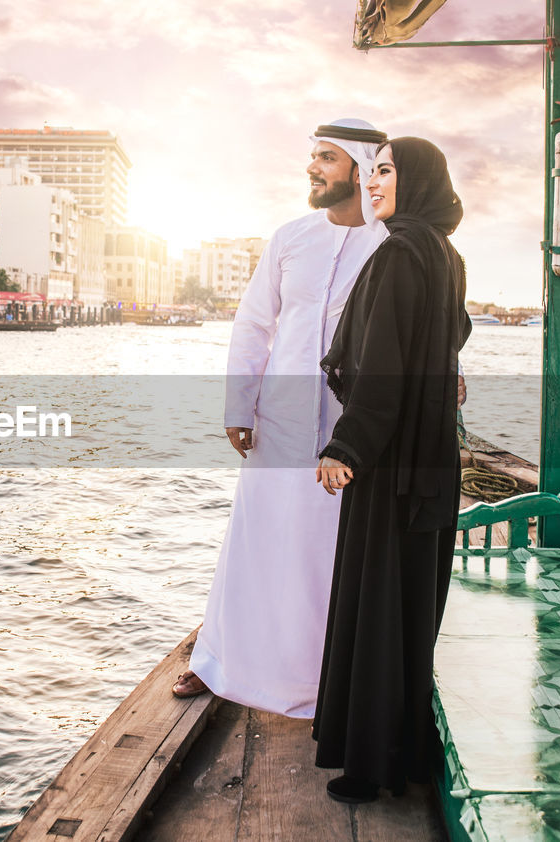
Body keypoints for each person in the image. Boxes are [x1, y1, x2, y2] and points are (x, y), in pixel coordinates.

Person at [171, 119, 391, 717]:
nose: (312, 168)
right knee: (257, 540)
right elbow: (253, 323)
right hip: (280, 418)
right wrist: (238, 404)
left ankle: (328, 681)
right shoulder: (290, 237)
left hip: (354, 425)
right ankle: (219, 663)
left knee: (328, 549)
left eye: (326, 158)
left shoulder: (392, 242)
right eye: (313, 157)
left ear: (360, 167)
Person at [312, 137, 470, 802]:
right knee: (410, 610)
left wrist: (346, 447)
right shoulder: (444, 253)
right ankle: (404, 753)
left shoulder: (399, 253)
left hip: (390, 461)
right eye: (371, 171)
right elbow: (451, 334)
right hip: (432, 459)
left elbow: (382, 367)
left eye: (385, 172)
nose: (373, 184)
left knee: (376, 607)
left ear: (418, 180)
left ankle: (368, 771)